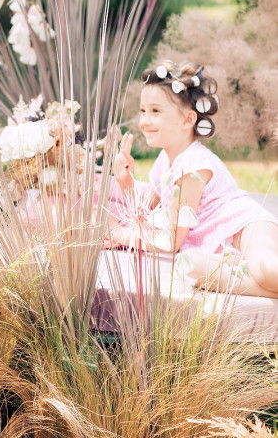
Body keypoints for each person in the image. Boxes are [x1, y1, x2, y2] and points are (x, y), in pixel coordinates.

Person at [108, 59, 278, 298]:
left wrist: (120, 235)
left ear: (188, 120)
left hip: (246, 229)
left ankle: (254, 274)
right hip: (219, 249)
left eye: (156, 111)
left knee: (266, 270)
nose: (145, 121)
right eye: (143, 111)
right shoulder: (164, 162)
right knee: (190, 265)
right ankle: (253, 279)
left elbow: (170, 242)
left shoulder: (193, 168)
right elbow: (146, 211)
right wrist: (125, 180)